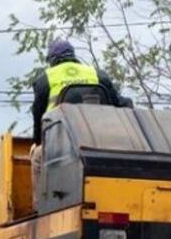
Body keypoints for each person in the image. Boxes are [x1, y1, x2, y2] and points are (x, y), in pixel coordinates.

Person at [30, 38, 120, 207]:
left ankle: (39, 205)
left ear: (52, 60)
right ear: (73, 56)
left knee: (36, 157)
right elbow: (117, 103)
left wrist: (38, 142)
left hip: (60, 145)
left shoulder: (45, 79)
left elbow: (38, 115)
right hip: (99, 141)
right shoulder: (97, 74)